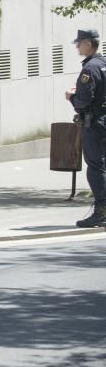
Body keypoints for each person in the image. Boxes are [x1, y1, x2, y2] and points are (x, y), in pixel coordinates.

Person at [66, 28, 106, 227]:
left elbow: (83, 100)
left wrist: (71, 96)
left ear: (89, 44)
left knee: (96, 167)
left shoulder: (90, 69)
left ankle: (101, 212)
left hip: (95, 122)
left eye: (79, 43)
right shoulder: (104, 64)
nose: (77, 46)